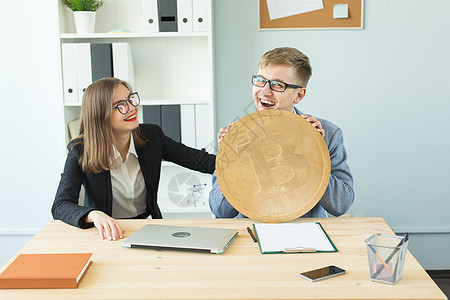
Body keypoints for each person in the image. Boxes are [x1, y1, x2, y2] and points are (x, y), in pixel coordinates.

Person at [52, 77, 215, 241]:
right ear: (100, 115)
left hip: (148, 229)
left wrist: (233, 150)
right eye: (121, 106)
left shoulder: (152, 136)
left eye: (131, 99)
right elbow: (60, 205)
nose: (132, 108)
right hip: (106, 234)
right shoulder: (80, 150)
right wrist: (93, 215)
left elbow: (200, 161)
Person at [209, 47, 354, 218]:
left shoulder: (329, 134)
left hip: (306, 235)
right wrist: (230, 161)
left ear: (299, 95)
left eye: (278, 85)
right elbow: (220, 211)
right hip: (252, 234)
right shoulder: (238, 134)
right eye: (260, 80)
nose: (265, 91)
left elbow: (341, 205)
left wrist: (314, 152)